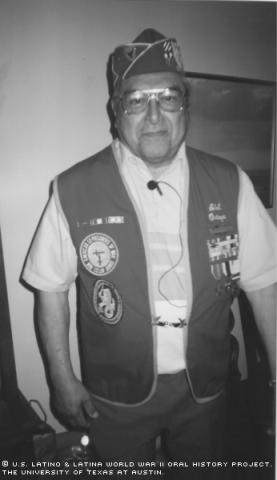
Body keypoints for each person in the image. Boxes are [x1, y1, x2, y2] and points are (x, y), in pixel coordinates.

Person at [22, 28, 276, 477]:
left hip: (206, 385)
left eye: (169, 98)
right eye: (137, 101)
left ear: (187, 105)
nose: (154, 115)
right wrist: (62, 380)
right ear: (115, 111)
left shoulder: (232, 182)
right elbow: (50, 289)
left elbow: (264, 287)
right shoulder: (72, 188)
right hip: (115, 395)